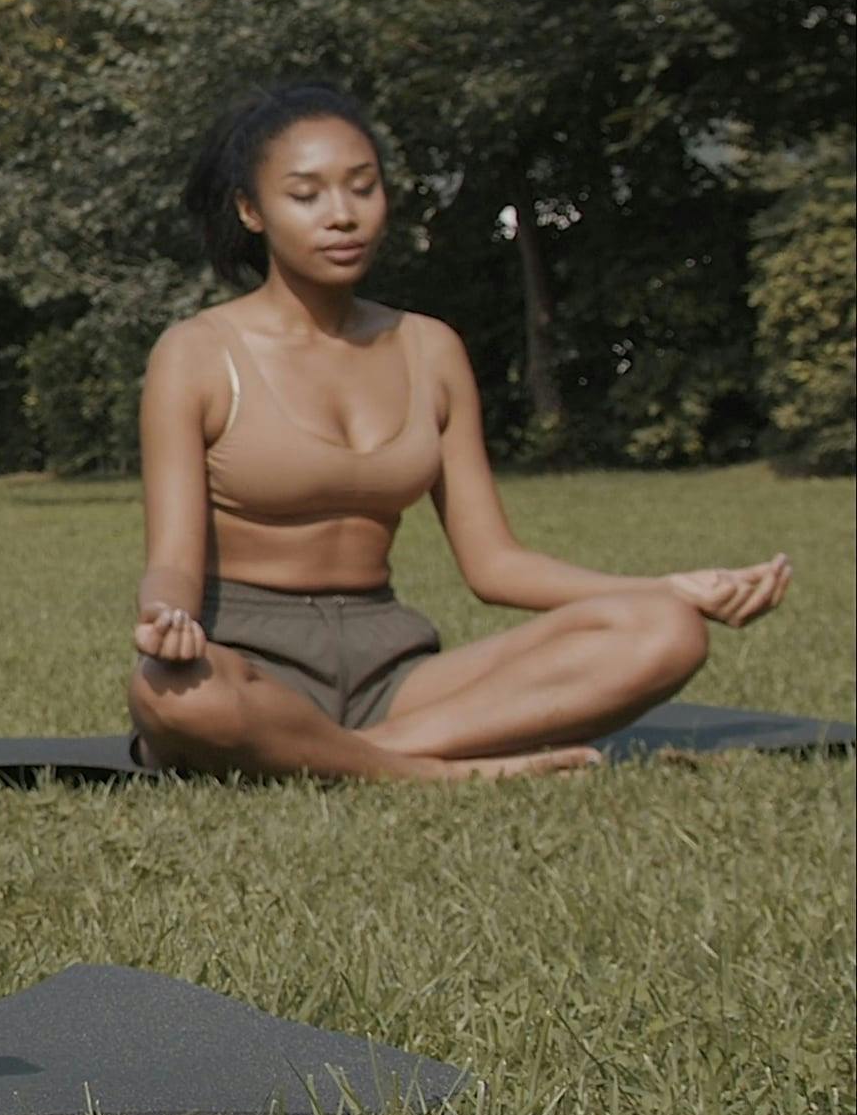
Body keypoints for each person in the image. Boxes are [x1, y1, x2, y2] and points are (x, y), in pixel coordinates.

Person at [125, 83, 792, 781]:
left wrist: (666, 588)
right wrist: (166, 615)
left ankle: (354, 757)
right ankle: (437, 771)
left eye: (363, 187)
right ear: (251, 210)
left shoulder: (430, 348)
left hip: (393, 675)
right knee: (168, 692)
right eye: (306, 195)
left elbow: (494, 563)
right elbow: (173, 561)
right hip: (249, 666)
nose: (343, 215)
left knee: (664, 630)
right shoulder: (197, 353)